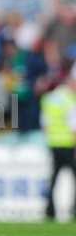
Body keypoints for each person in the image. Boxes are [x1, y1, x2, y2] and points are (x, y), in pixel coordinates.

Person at [41, 64, 76, 220]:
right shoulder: (71, 100)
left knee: (54, 178)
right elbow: (73, 125)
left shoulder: (49, 99)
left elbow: (45, 124)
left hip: (53, 143)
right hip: (69, 144)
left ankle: (50, 210)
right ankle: (74, 209)